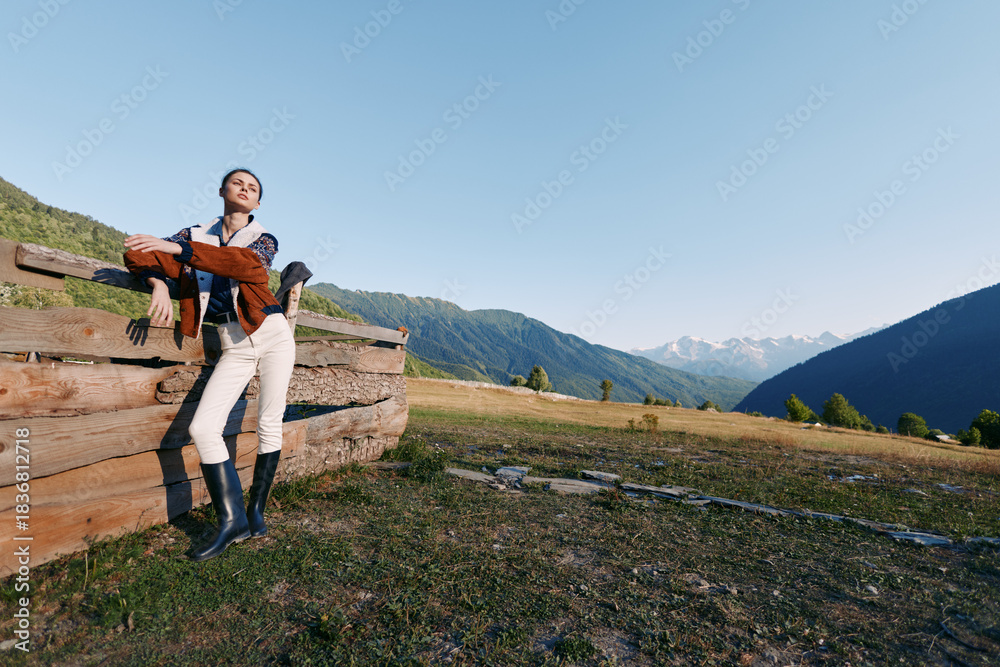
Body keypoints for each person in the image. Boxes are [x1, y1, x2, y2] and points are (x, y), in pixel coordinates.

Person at [123, 168, 296, 562]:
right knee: (203, 427)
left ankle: (255, 512)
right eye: (238, 183)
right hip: (233, 341)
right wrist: (160, 283)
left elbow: (243, 265)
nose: (245, 189)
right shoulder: (195, 233)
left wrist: (178, 252)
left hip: (271, 333)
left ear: (257, 203)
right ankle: (231, 520)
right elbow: (136, 251)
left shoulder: (263, 239)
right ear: (222, 190)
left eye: (253, 188)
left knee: (269, 421)